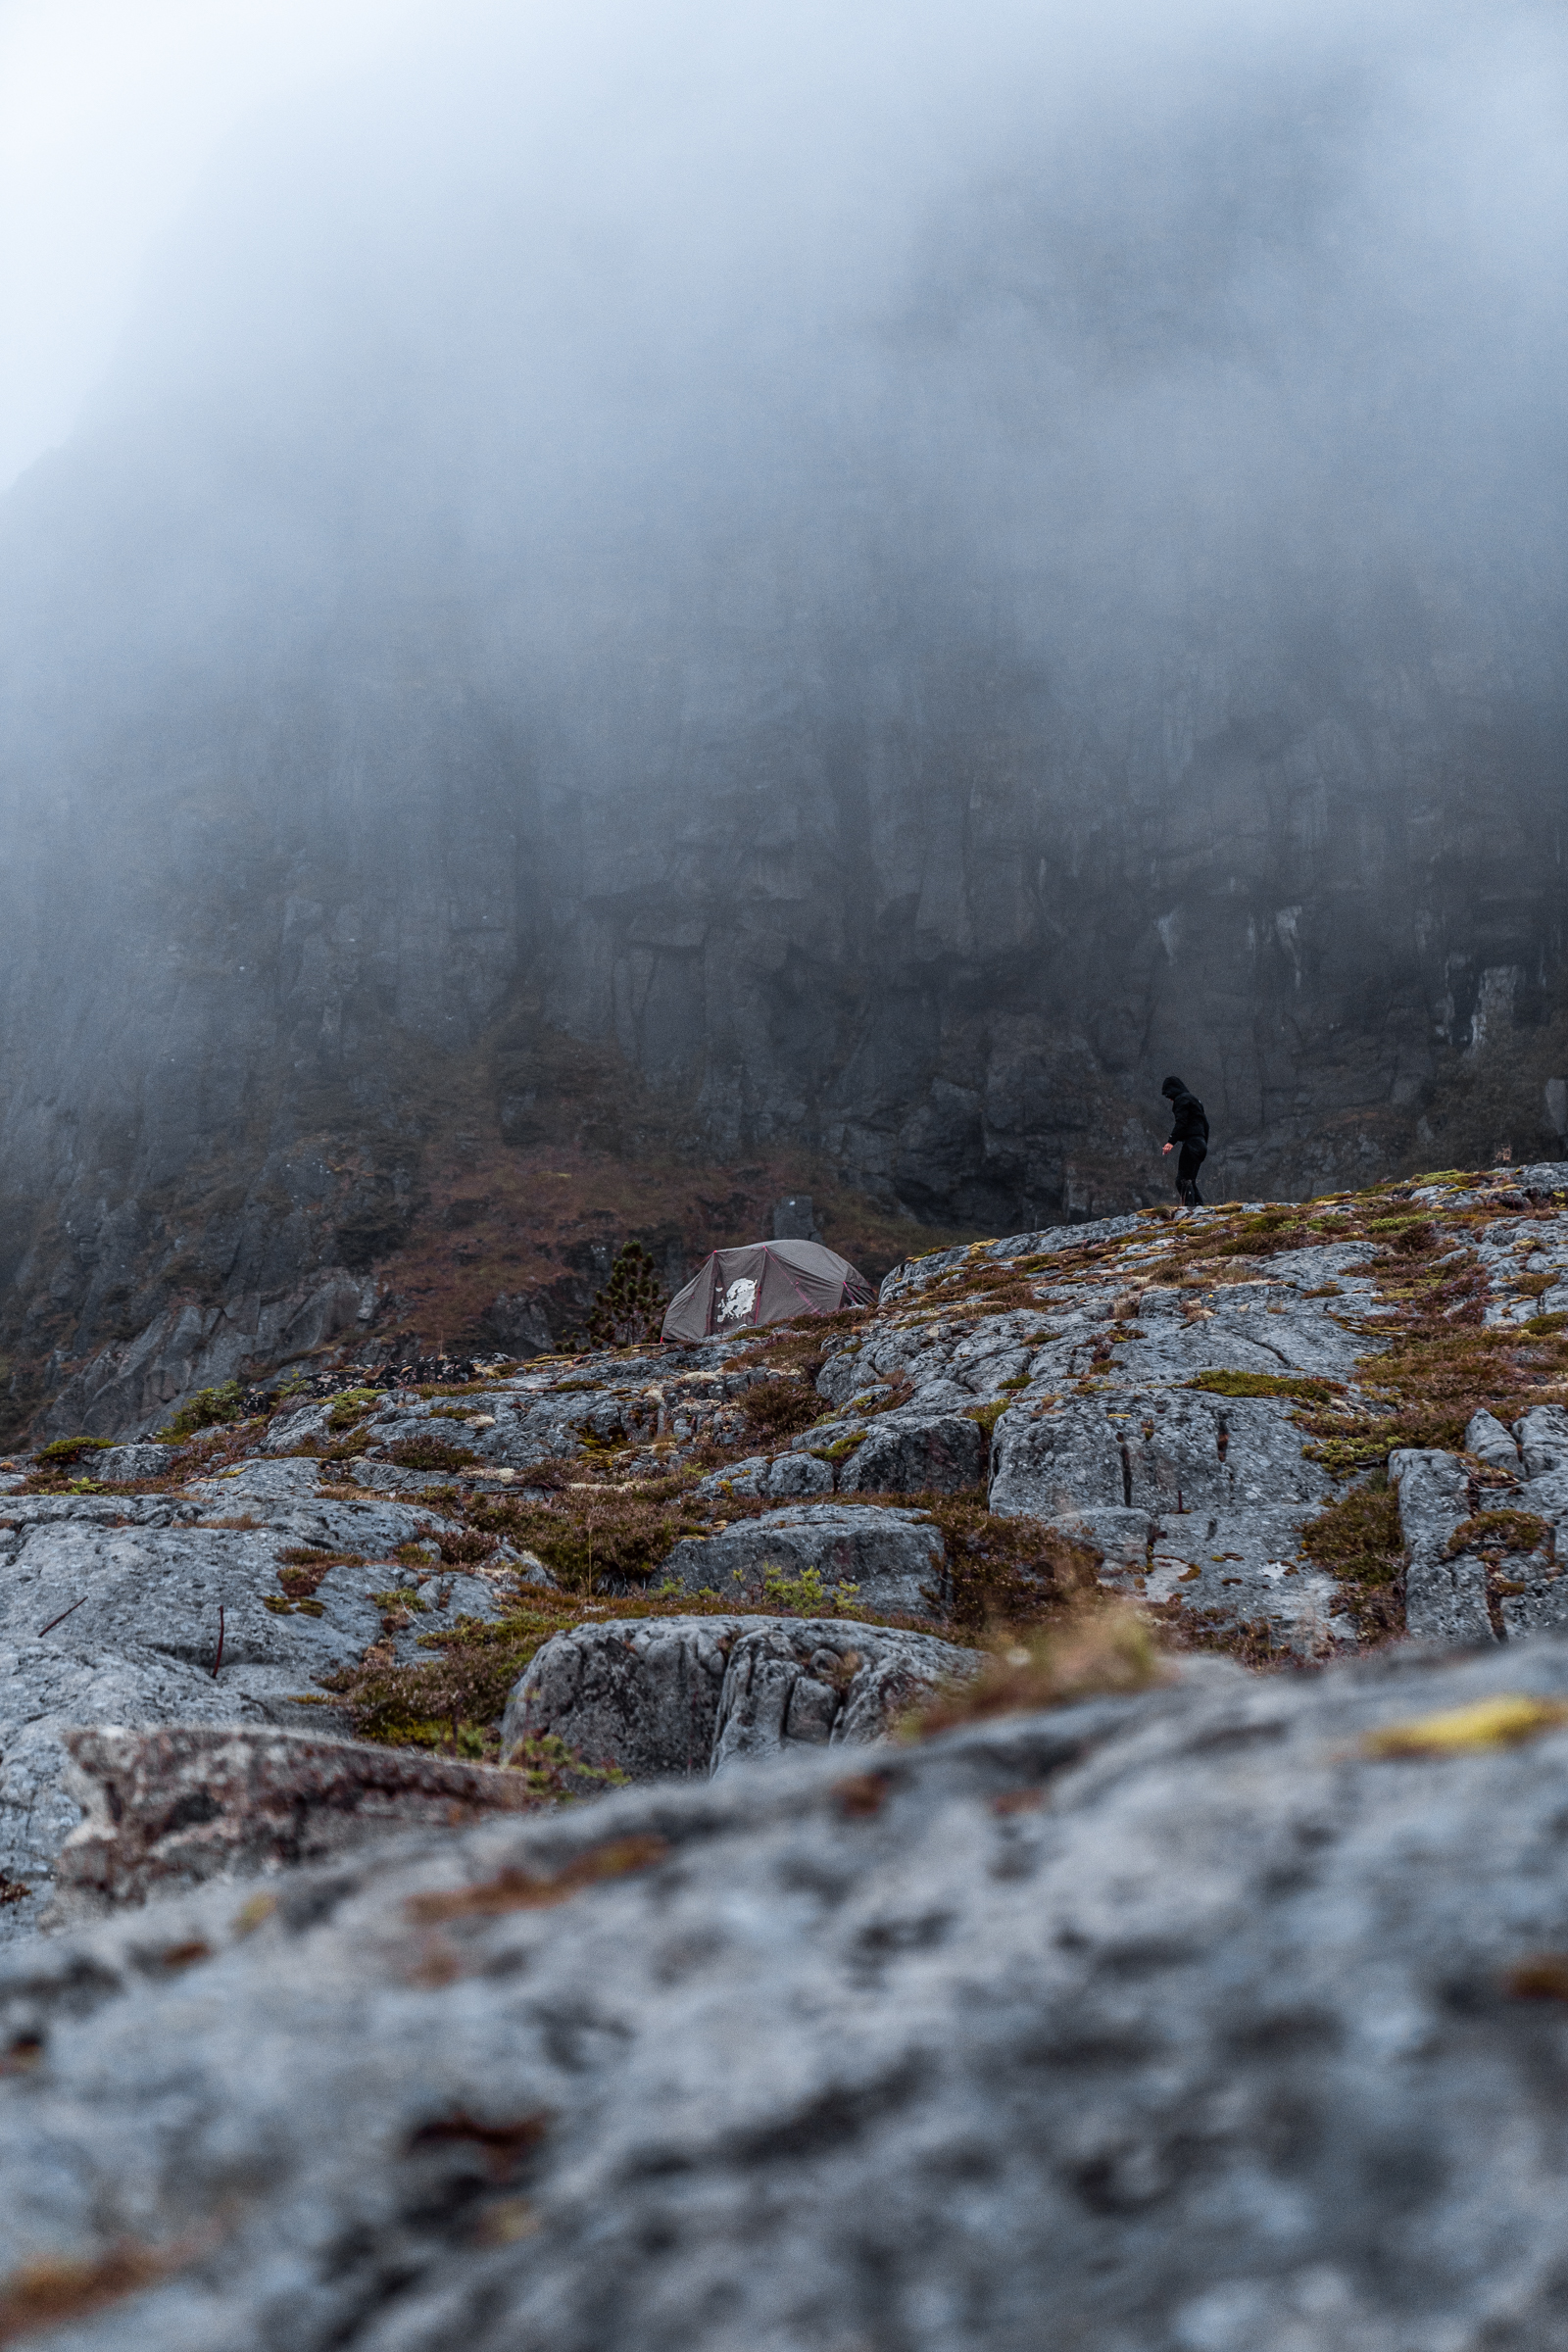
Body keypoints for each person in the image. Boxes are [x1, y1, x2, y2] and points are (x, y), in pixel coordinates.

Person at [1160, 1075, 1208, 1206]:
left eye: (1168, 1095)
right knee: (1190, 1180)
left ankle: (1189, 1211)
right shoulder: (1196, 1101)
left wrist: (1171, 1142)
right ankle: (1200, 1209)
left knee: (1182, 1180)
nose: (1169, 1098)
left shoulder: (1181, 1100)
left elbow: (1181, 1122)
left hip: (1192, 1142)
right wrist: (1203, 1143)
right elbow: (1206, 1124)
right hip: (1201, 1143)